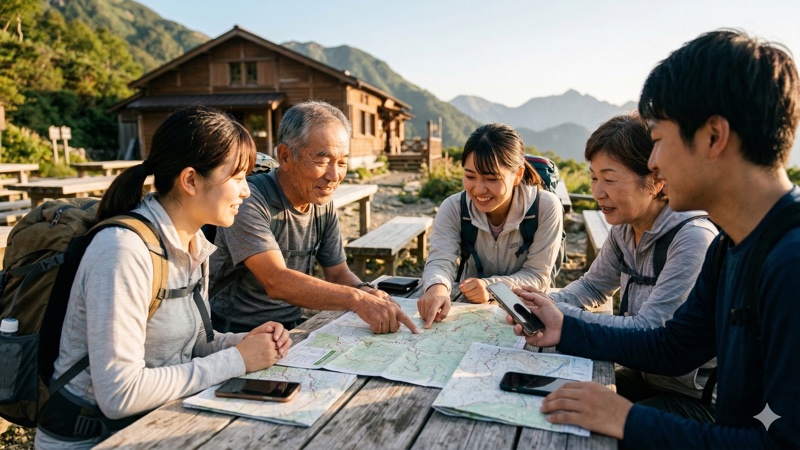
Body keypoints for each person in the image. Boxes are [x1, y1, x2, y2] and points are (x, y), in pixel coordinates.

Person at [509, 30, 800, 448]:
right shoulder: (732, 245)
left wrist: (629, 420)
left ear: (713, 137)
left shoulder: (789, 263)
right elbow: (674, 345)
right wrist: (563, 326)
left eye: (659, 140)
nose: (654, 162)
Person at [35, 106, 292, 449]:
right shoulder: (123, 251)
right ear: (190, 180)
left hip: (153, 424)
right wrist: (238, 359)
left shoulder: (194, 243)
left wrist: (245, 342)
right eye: (238, 177)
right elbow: (120, 394)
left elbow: (194, 347)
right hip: (92, 438)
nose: (246, 191)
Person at [549, 113, 718, 420]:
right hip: (645, 377)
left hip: (696, 401)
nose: (597, 192)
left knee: (591, 429)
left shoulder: (693, 239)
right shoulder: (624, 229)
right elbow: (592, 285)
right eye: (593, 177)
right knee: (551, 394)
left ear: (656, 180)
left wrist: (562, 319)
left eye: (610, 179)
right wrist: (547, 302)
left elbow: (651, 331)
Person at [209, 100, 418, 335]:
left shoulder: (320, 202)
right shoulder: (248, 200)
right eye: (322, 161)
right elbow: (276, 281)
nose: (334, 175)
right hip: (235, 333)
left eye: (342, 162)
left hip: (291, 328)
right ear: (285, 156)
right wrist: (356, 299)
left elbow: (337, 273)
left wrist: (366, 290)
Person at [417, 123, 563, 328]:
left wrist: (490, 286)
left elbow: (538, 275)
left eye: (492, 179)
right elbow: (440, 260)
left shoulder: (545, 207)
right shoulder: (453, 207)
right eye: (469, 176)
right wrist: (437, 286)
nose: (478, 189)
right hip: (469, 312)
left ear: (518, 175)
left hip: (525, 314)